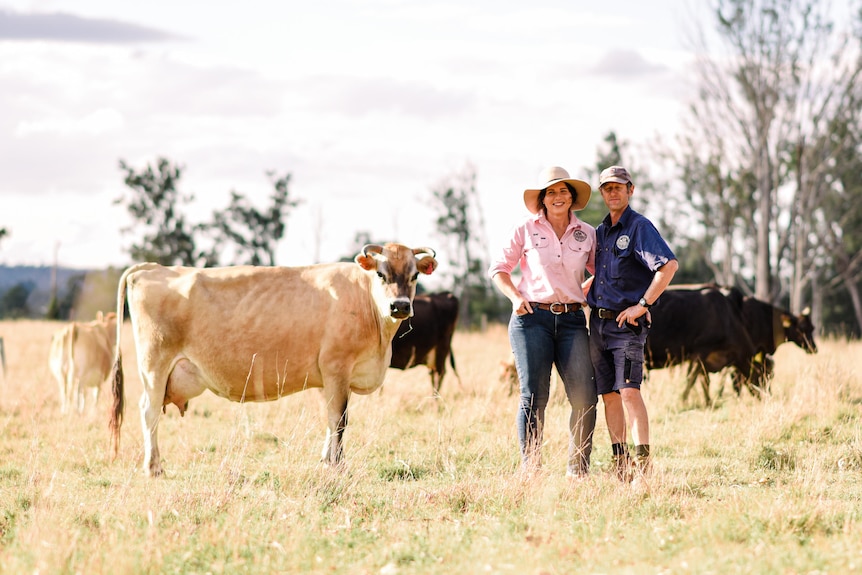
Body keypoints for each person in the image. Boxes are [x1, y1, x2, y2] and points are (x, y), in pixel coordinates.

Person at [489, 166, 598, 478]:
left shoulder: (587, 233)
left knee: (585, 396)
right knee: (534, 396)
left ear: (572, 197)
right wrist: (514, 297)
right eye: (551, 191)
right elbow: (499, 268)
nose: (558, 196)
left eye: (564, 190)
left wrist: (583, 289)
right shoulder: (525, 228)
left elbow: (600, 271)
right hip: (531, 320)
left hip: (573, 321)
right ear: (542, 199)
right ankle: (531, 469)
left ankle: (578, 470)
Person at [585, 165, 678, 482]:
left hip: (625, 328)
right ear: (602, 193)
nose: (613, 192)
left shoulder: (639, 227)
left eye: (619, 187)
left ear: (630, 190)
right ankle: (620, 460)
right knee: (609, 395)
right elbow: (602, 275)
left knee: (628, 391)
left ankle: (643, 463)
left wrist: (642, 305)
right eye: (607, 188)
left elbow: (667, 266)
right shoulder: (599, 233)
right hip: (597, 326)